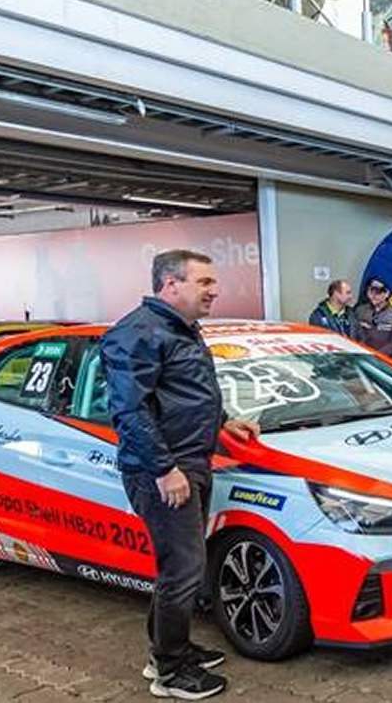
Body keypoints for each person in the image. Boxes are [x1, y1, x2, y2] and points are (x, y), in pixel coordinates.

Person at [101, 249, 259, 700]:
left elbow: (186, 392)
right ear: (171, 285)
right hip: (164, 470)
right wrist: (164, 469)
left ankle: (170, 649)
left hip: (190, 461)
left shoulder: (181, 330)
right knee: (183, 569)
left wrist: (222, 420)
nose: (215, 290)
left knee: (182, 567)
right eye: (204, 282)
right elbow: (130, 412)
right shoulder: (136, 334)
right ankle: (169, 672)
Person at [355, 277, 392, 357]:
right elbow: (354, 332)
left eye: (378, 291)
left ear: (387, 294)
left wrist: (375, 355)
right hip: (357, 353)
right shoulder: (360, 310)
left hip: (380, 360)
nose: (374, 295)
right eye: (371, 290)